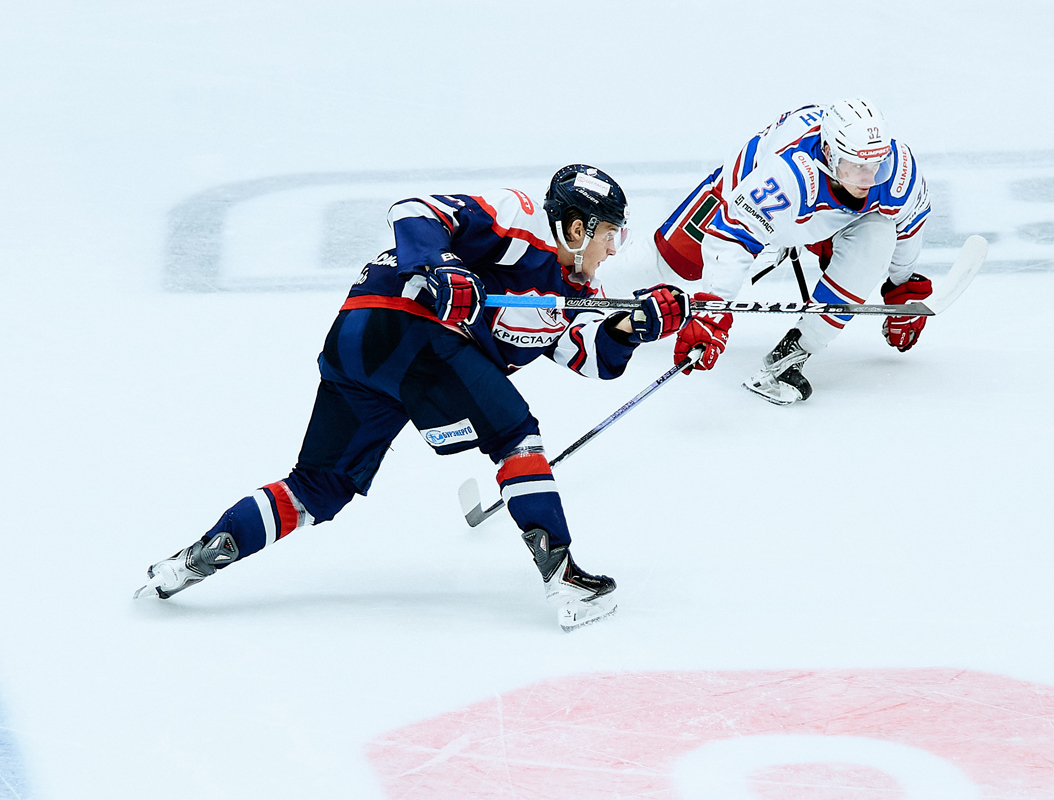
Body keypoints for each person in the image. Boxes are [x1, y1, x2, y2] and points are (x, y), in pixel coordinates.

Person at [134, 165, 691, 631]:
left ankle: (192, 561)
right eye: (610, 234)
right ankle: (566, 580)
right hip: (406, 328)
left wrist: (633, 328)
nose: (614, 249)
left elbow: (589, 358)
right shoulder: (520, 218)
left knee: (319, 487)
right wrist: (442, 268)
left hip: (364, 348)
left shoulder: (576, 293)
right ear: (576, 227)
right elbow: (414, 209)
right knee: (515, 436)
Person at [608, 97, 932, 404]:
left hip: (822, 220)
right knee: (669, 265)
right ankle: (592, 285)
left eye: (876, 165)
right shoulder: (788, 173)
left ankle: (792, 354)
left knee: (878, 235)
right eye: (855, 166)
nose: (868, 179)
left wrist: (902, 289)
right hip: (742, 200)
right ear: (829, 153)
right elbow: (733, 237)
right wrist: (712, 312)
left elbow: (908, 226)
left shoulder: (899, 172)